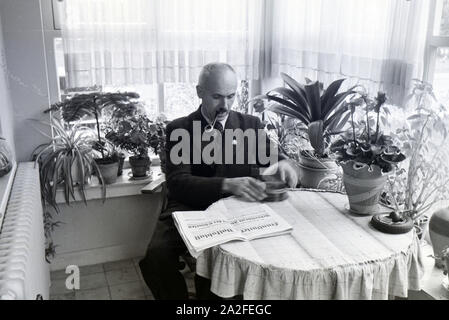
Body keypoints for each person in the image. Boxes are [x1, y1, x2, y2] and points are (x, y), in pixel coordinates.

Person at [139, 62, 299, 300]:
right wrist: (227, 184)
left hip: (237, 209)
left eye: (231, 96)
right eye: (217, 97)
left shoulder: (250, 125)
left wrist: (285, 163)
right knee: (155, 257)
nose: (225, 105)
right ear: (199, 92)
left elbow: (274, 157)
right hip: (188, 207)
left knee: (220, 273)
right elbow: (178, 182)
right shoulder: (179, 129)